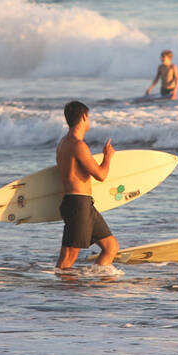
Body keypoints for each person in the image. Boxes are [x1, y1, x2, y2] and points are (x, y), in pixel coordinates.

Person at [55, 101, 120, 269]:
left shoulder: (63, 143)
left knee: (111, 247)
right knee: (68, 258)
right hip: (78, 205)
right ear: (84, 116)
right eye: (88, 117)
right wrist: (107, 157)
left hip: (82, 204)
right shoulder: (78, 145)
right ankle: (61, 292)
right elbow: (101, 175)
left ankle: (93, 282)